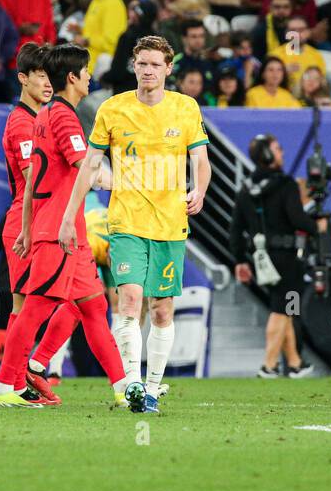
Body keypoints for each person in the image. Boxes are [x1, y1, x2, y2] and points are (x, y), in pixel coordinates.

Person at [45, 38, 209, 414]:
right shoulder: (112, 109)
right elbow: (89, 165)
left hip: (170, 224)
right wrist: (70, 217)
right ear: (134, 67)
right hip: (126, 221)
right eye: (141, 63)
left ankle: (152, 389)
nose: (148, 70)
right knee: (130, 300)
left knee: (162, 309)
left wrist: (199, 190)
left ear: (169, 69)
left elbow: (201, 158)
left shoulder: (186, 108)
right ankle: (132, 382)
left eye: (155, 64)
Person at [0, 45, 79, 403]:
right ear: (23, 79)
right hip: (30, 220)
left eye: (50, 76)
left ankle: (26, 373)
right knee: (26, 307)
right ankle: (14, 382)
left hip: (42, 219)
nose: (47, 83)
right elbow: (35, 179)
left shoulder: (40, 117)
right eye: (40, 76)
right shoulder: (22, 122)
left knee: (79, 301)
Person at [230, 133, 324, 378]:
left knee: (284, 307)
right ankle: (268, 365)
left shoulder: (246, 188)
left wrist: (240, 260)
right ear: (269, 155)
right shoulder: (285, 185)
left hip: (262, 259)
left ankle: (294, 362)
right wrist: (317, 227)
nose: (282, 152)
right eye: (278, 149)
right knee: (282, 310)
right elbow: (297, 218)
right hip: (287, 258)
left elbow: (236, 228)